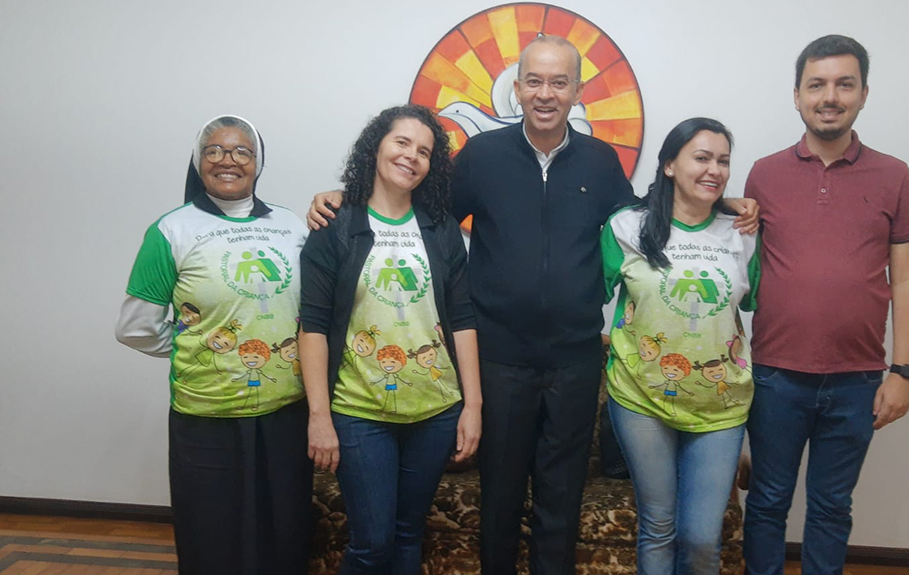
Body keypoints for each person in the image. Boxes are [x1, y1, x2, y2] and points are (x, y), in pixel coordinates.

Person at [308, 36, 759, 575]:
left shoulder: (598, 158)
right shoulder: (483, 157)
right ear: (517, 88)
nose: (546, 93)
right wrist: (342, 196)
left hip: (573, 359)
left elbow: (644, 217)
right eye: (535, 81)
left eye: (559, 82)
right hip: (500, 356)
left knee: (560, 494)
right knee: (499, 490)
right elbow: (414, 207)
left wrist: (720, 201)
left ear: (578, 92)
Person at [742, 35, 909, 575]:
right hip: (775, 374)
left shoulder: (894, 175)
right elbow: (736, 265)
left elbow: (908, 278)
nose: (830, 96)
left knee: (830, 506)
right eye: (816, 84)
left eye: (844, 84)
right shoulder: (763, 173)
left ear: (864, 94)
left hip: (858, 378)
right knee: (768, 501)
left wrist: (903, 371)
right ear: (796, 96)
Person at [115, 115, 312, 574]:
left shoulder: (292, 227)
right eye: (215, 151)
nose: (228, 161)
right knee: (211, 534)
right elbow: (135, 326)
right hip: (207, 413)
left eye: (242, 151)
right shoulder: (171, 231)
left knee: (285, 528)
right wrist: (200, 347)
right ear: (198, 161)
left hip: (286, 411)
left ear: (257, 163)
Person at [298, 105, 482, 575]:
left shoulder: (441, 230)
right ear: (376, 146)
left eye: (424, 151)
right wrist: (319, 416)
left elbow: (462, 319)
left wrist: (473, 407)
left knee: (407, 535)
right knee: (372, 543)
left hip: (437, 409)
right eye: (402, 142)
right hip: (359, 411)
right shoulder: (335, 225)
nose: (411, 156)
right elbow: (313, 326)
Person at [602, 117, 759, 575]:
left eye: (723, 161)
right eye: (701, 157)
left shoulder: (742, 234)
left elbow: (763, 304)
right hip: (640, 399)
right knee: (659, 526)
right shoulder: (626, 228)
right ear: (669, 164)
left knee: (701, 538)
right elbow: (581, 294)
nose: (714, 169)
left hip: (721, 403)